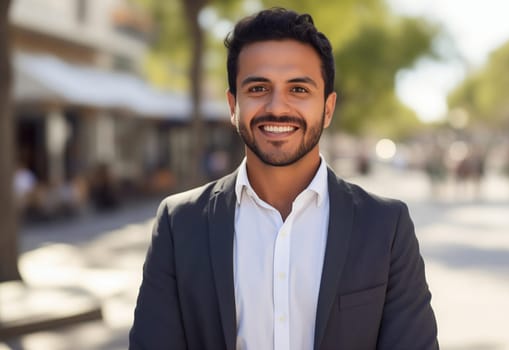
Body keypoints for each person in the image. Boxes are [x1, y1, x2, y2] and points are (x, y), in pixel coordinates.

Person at [129, 8, 438, 350]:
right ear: (234, 105)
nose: (278, 107)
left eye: (299, 90)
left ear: (328, 108)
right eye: (259, 88)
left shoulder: (385, 226)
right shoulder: (179, 224)